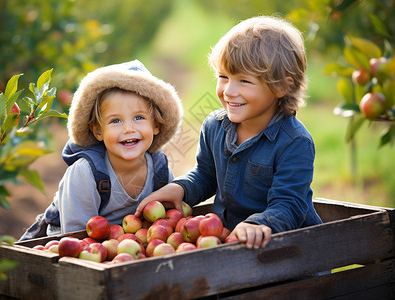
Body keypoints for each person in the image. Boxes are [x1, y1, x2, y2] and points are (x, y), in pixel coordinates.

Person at [135, 16, 323, 249]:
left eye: (244, 81)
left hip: (287, 251)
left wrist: (258, 224)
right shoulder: (215, 126)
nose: (229, 91)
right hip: (228, 242)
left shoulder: (294, 142)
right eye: (223, 77)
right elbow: (206, 175)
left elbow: (288, 205)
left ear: (281, 86)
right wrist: (181, 188)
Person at [19, 60, 183, 240]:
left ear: (156, 126)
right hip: (75, 248)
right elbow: (75, 238)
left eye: (138, 117)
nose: (128, 129)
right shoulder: (86, 174)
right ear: (98, 131)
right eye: (115, 121)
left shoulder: (159, 169)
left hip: (129, 248)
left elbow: (168, 221)